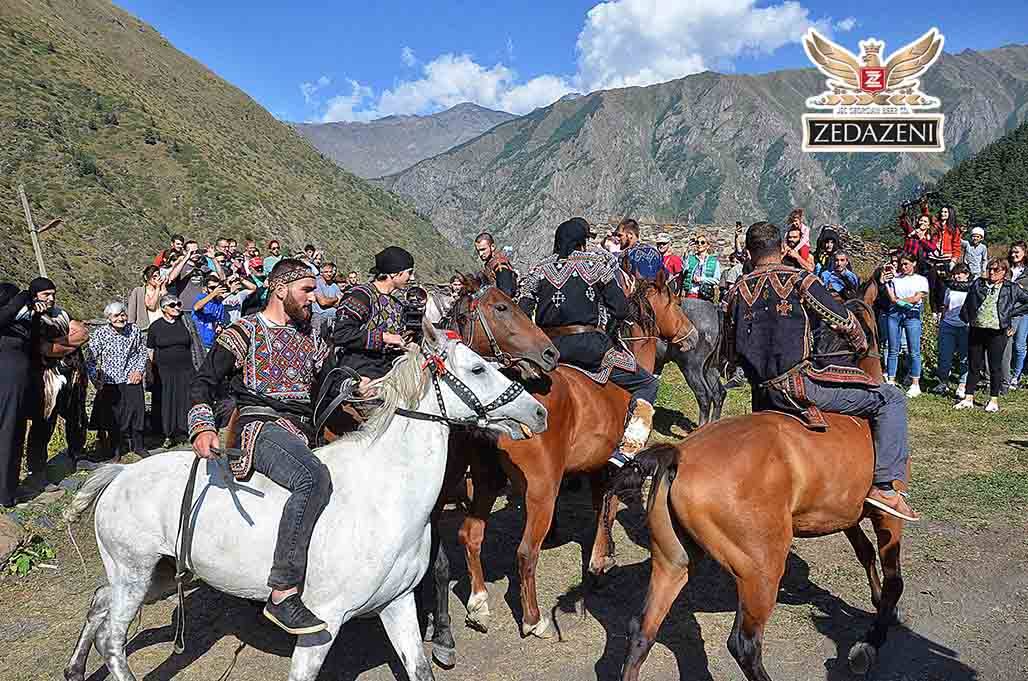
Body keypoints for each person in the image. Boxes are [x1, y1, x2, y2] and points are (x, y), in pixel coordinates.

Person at [723, 221, 917, 521]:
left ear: (748, 253)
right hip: (800, 387)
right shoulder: (800, 280)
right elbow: (845, 321)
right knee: (891, 399)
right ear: (782, 248)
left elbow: (729, 355)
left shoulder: (736, 291)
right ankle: (884, 488)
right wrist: (860, 342)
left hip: (761, 395)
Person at [190, 258, 331, 634]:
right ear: (280, 290)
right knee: (312, 478)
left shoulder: (310, 337)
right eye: (307, 290)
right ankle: (282, 592)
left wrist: (360, 387)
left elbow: (329, 381)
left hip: (304, 428)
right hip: (259, 426)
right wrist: (202, 426)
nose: (314, 297)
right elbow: (203, 380)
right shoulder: (244, 331)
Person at [518, 217, 658, 468]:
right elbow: (620, 308)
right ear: (582, 242)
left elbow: (522, 311)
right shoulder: (596, 265)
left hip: (549, 351)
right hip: (591, 349)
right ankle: (628, 448)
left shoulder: (539, 269)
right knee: (647, 383)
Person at [955, 258, 1028, 413]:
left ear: (1004, 271)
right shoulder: (979, 283)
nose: (992, 272)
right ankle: (968, 397)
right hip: (977, 329)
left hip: (997, 332)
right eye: (990, 269)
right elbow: (963, 290)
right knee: (974, 365)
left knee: (995, 366)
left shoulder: (1011, 288)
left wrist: (1012, 312)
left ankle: (993, 399)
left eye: (996, 269)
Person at [331, 247, 411, 382]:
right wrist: (384, 337)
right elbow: (341, 334)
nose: (411, 277)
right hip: (359, 371)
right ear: (395, 274)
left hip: (389, 370)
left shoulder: (398, 303)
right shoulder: (360, 295)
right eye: (409, 272)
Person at [0, 282, 47, 506]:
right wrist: (24, 295)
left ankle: (7, 489)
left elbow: (34, 343)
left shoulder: (18, 326)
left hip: (18, 387)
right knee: (8, 433)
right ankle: (4, 493)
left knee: (14, 434)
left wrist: (36, 315)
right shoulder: (5, 323)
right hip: (8, 386)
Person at [87, 301, 148, 461]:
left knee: (137, 412)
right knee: (113, 417)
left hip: (131, 378)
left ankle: (138, 446)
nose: (121, 318)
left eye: (123, 314)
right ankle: (115, 450)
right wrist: (95, 378)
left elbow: (142, 353)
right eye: (116, 316)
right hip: (111, 380)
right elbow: (90, 359)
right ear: (108, 318)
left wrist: (138, 370)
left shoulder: (134, 330)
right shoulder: (100, 334)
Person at [146, 295, 199, 446]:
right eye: (172, 305)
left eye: (178, 304)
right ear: (164, 308)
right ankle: (167, 434)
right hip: (164, 371)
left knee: (185, 400)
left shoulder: (186, 323)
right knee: (166, 401)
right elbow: (150, 350)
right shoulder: (155, 327)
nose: (177, 307)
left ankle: (183, 431)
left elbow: (194, 345)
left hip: (185, 369)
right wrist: (151, 371)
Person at [882, 253, 929, 397]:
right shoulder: (895, 279)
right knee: (893, 348)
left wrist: (899, 300)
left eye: (906, 264)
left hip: (912, 315)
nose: (903, 267)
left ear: (914, 263)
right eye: (901, 264)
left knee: (913, 350)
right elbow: (891, 297)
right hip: (894, 314)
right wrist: (885, 282)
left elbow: (916, 298)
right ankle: (891, 380)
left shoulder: (921, 280)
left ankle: (915, 383)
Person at [932, 264, 971, 397]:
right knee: (944, 355)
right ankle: (943, 382)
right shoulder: (949, 288)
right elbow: (945, 306)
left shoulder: (972, 289)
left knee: (964, 357)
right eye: (954, 274)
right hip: (948, 325)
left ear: (967, 275)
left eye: (959, 273)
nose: (956, 276)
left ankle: (962, 384)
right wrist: (941, 321)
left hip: (965, 326)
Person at [1006, 241, 1028, 389]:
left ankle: (1016, 375)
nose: (1014, 254)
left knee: (1019, 344)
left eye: (1017, 252)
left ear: (1024, 253)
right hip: (1006, 311)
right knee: (1006, 344)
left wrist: (1020, 289)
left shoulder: (1026, 272)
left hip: (1023, 311)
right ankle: (1005, 374)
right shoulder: (1006, 269)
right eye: (1012, 252)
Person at [474, 232, 517, 297]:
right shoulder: (490, 263)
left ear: (492, 247)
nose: (480, 254)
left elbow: (506, 293)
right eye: (478, 251)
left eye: (483, 249)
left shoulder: (500, 265)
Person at [192, 274, 228, 350]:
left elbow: (219, 322)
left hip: (211, 343)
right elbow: (196, 307)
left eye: (217, 287)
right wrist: (213, 293)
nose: (215, 290)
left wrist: (219, 327)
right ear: (205, 288)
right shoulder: (201, 297)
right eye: (212, 288)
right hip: (198, 342)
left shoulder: (219, 304)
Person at [680, 233, 721, 300]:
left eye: (702, 242)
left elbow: (716, 280)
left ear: (707, 246)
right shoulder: (690, 258)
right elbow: (684, 269)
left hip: (705, 295)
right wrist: (686, 252)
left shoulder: (714, 261)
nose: (699, 244)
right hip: (691, 293)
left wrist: (701, 279)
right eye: (697, 242)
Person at [126, 266, 166, 331]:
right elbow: (151, 306)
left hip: (163, 325)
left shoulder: (161, 290)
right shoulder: (139, 291)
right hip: (147, 327)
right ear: (147, 278)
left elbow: (167, 302)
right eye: (154, 276)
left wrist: (163, 285)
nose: (157, 278)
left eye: (158, 275)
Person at [312, 262, 342, 334]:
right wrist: (335, 299)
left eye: (330, 272)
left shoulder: (334, 285)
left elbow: (340, 302)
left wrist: (329, 301)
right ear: (321, 273)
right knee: (317, 337)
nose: (329, 274)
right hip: (319, 317)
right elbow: (323, 302)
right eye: (326, 272)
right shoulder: (316, 283)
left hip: (333, 318)